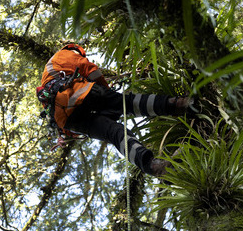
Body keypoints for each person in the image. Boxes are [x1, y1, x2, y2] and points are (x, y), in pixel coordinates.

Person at [36, 43, 196, 177]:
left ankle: (153, 166)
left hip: (68, 120)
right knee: (126, 103)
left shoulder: (48, 78)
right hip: (75, 93)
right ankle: (180, 105)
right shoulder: (63, 54)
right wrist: (107, 91)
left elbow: (57, 117)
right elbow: (91, 70)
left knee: (114, 133)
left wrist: (70, 133)